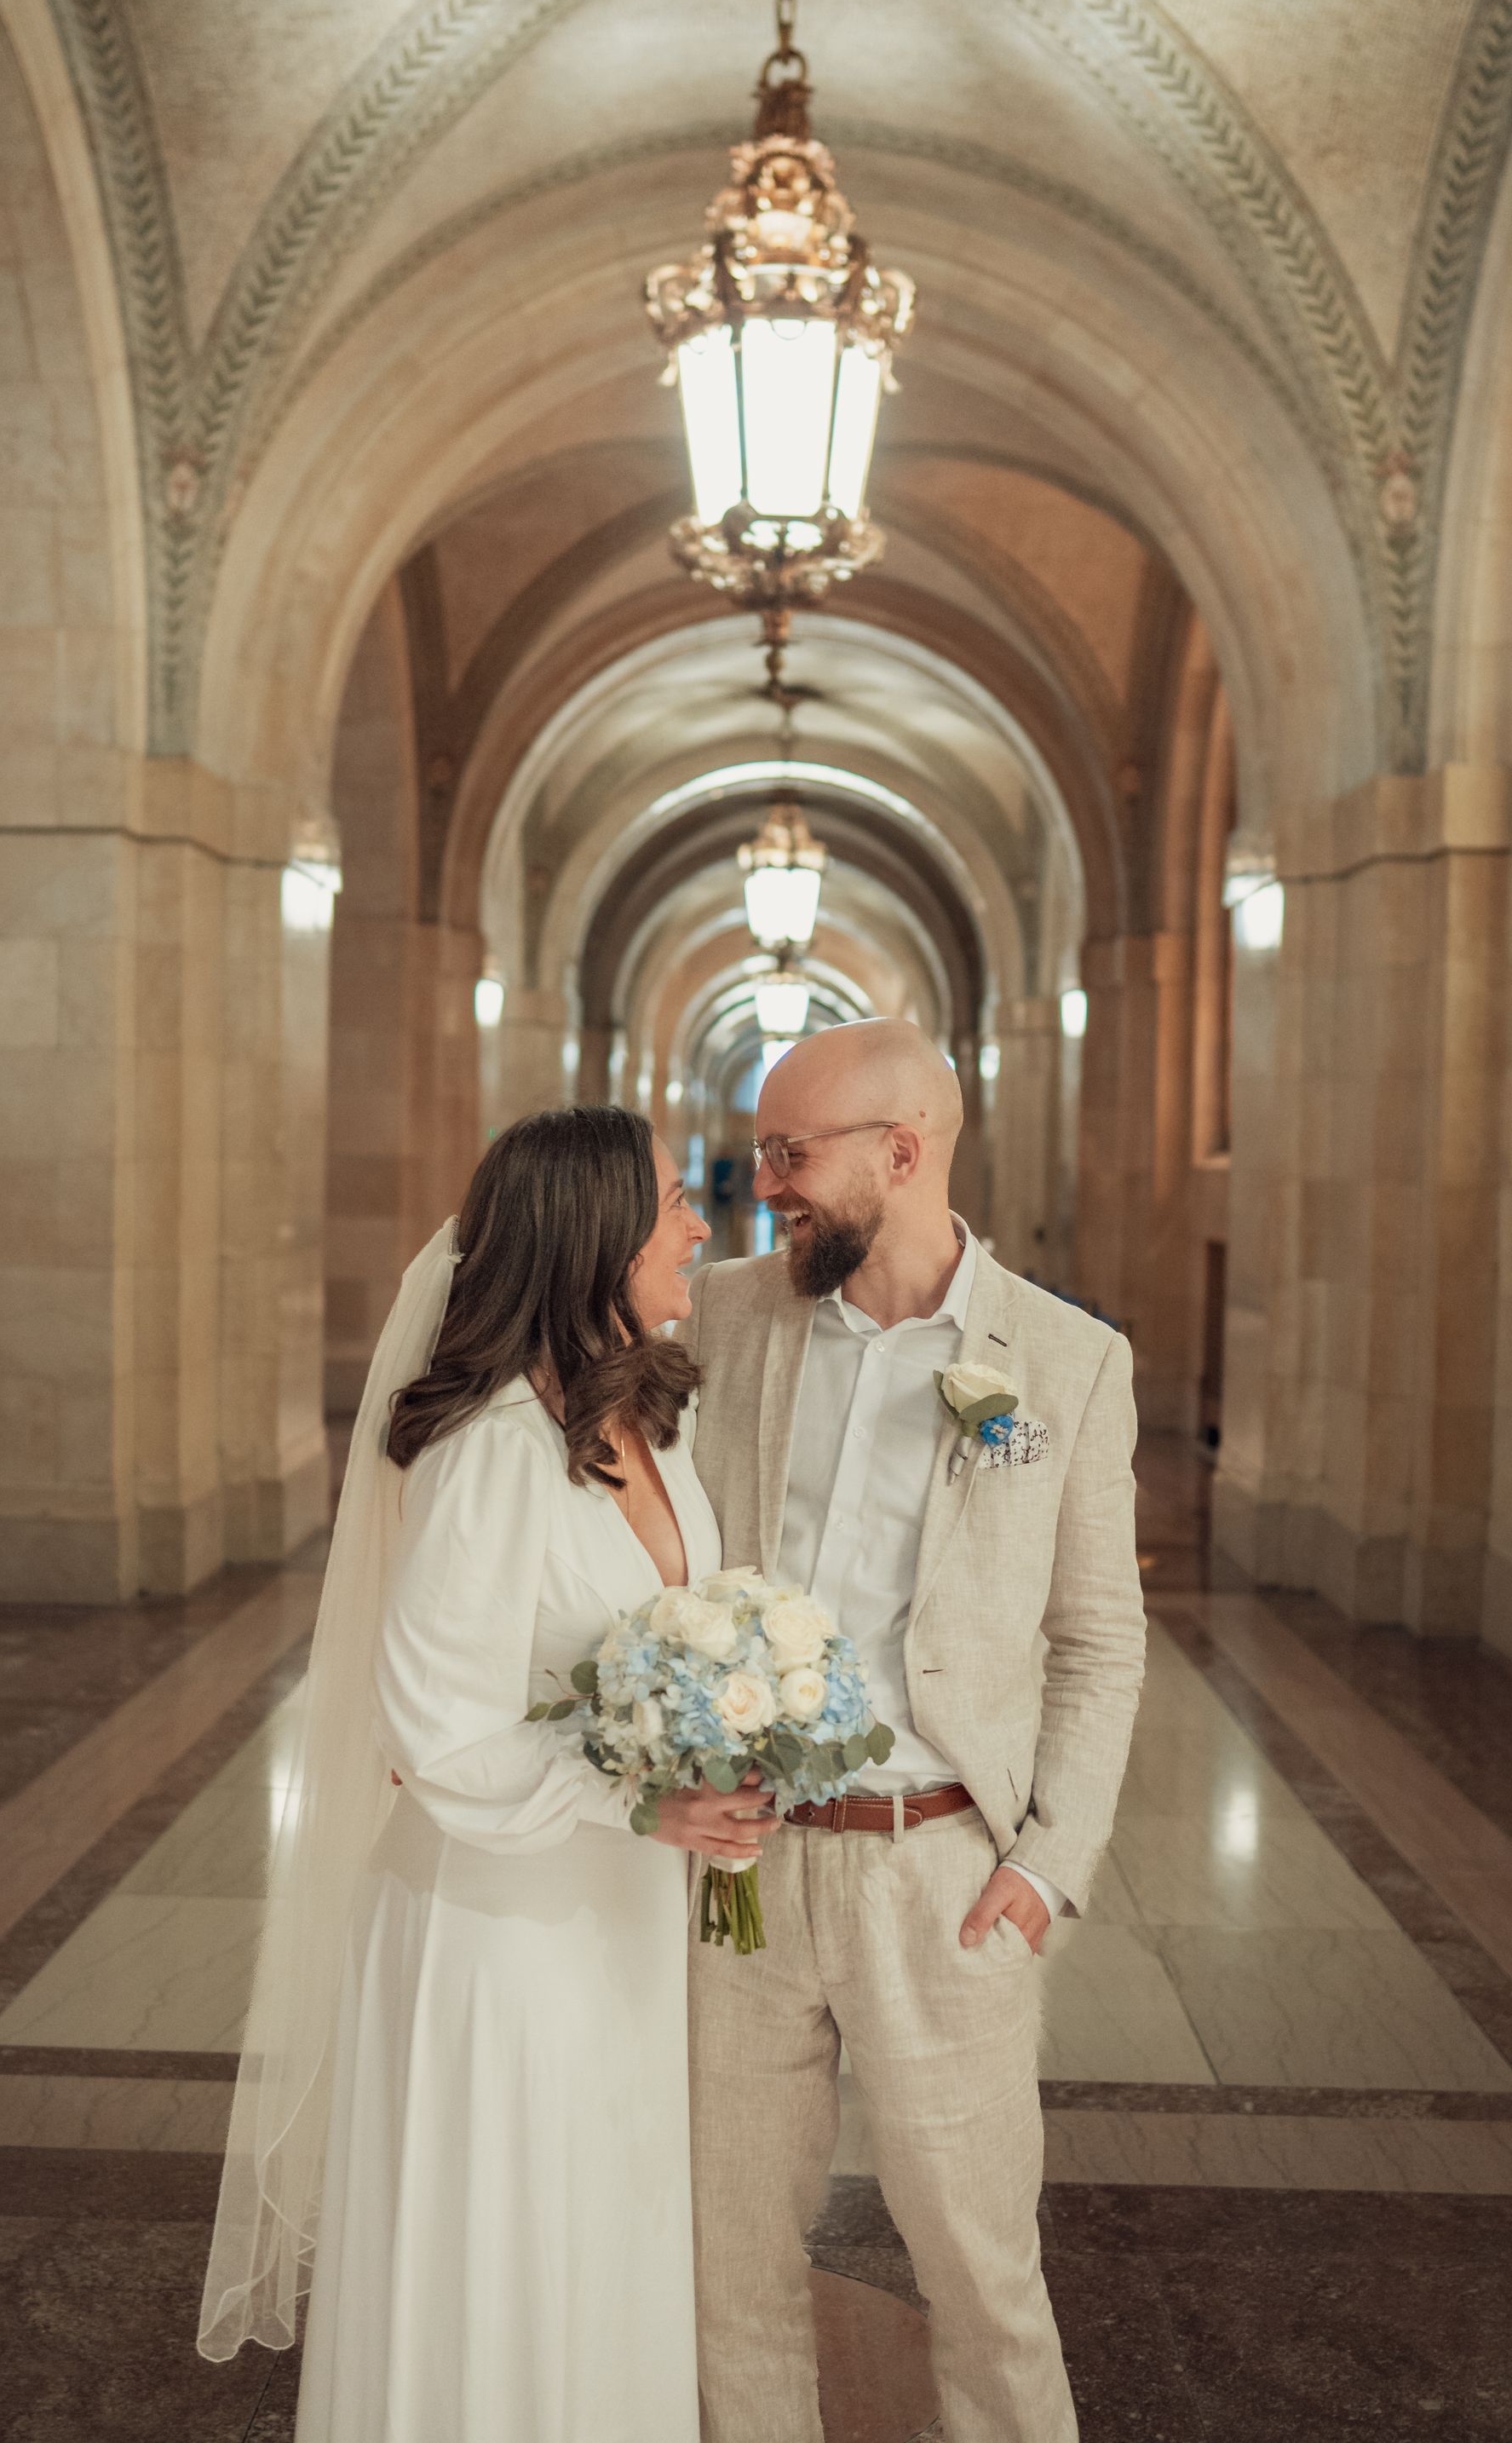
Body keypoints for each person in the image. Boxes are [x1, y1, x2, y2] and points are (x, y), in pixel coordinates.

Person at [198, 1105, 779, 2443]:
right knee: (511, 2239)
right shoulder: (488, 1454)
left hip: (620, 1911)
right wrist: (637, 1796)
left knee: (604, 2227)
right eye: (673, 1202)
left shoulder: (650, 1418)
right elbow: (436, 1727)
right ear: (590, 1236)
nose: (701, 1219)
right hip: (496, 1925)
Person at [680, 1018, 1147, 2443]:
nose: (768, 1183)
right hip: (743, 1878)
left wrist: (1047, 1865)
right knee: (729, 2265)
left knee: (982, 2275)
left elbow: (1101, 1638)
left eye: (792, 1152)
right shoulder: (725, 1313)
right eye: (762, 1150)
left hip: (942, 1873)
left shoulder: (1062, 1362)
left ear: (906, 1148)